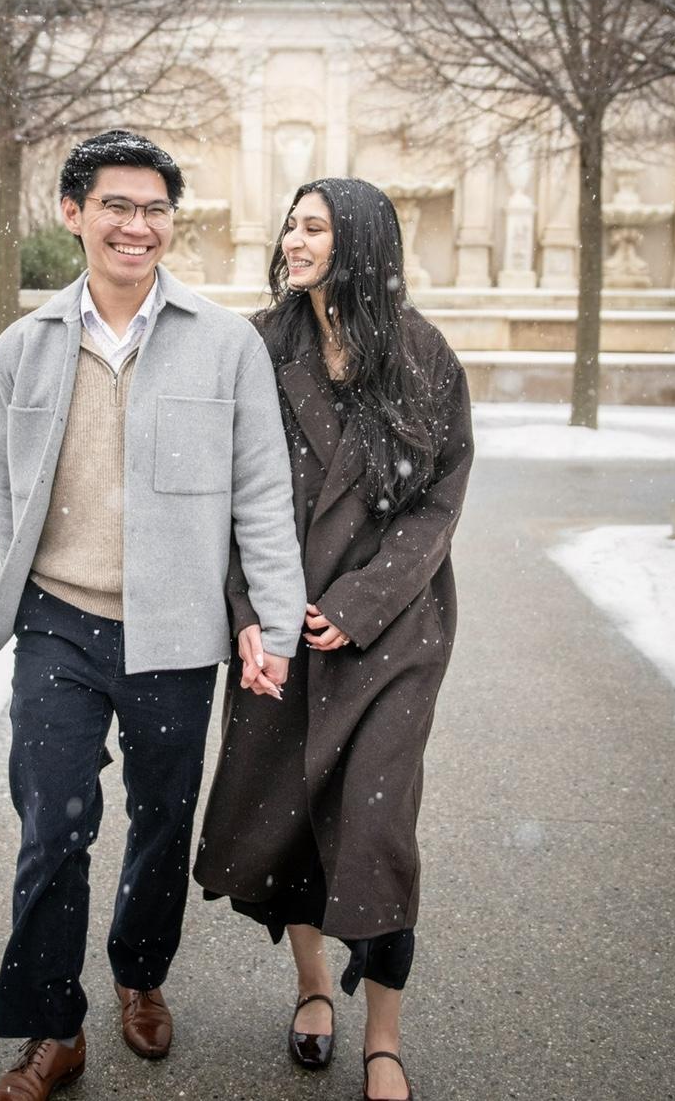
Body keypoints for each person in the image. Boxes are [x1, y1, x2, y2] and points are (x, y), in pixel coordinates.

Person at [0, 129, 305, 1101]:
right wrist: (29, 600)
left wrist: (266, 622)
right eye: (116, 204)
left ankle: (139, 970)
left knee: (162, 817)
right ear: (71, 213)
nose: (136, 225)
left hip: (175, 632)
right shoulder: (21, 350)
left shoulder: (224, 342)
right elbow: (9, 496)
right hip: (58, 624)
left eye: (154, 208)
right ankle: (49, 1026)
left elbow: (260, 496)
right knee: (50, 824)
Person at [194, 177, 473, 1101]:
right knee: (285, 817)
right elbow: (228, 496)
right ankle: (314, 986)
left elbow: (439, 498)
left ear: (359, 242)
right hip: (282, 626)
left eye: (315, 225)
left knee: (378, 826)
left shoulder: (424, 355)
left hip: (391, 633)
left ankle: (384, 1037)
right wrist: (248, 614)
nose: (294, 237)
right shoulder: (260, 344)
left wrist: (362, 599)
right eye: (291, 222)